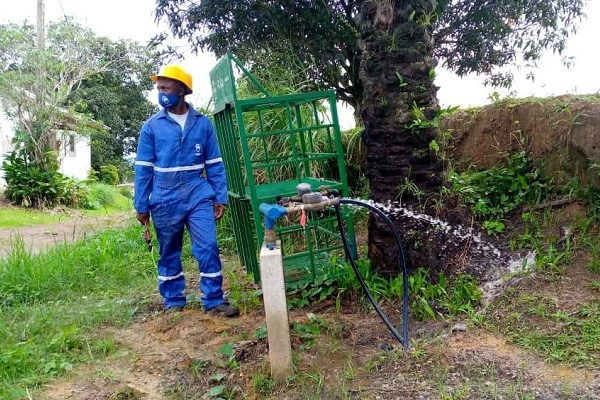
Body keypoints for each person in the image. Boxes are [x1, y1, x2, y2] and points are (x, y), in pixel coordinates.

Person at [134, 64, 239, 317]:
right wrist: (142, 205)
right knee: (168, 249)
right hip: (164, 197)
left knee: (208, 245)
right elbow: (143, 168)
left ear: (181, 89)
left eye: (166, 87)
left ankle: (213, 299)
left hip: (197, 194)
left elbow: (214, 163)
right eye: (159, 88)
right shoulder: (152, 126)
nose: (161, 92)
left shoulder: (203, 124)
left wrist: (220, 197)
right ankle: (173, 301)